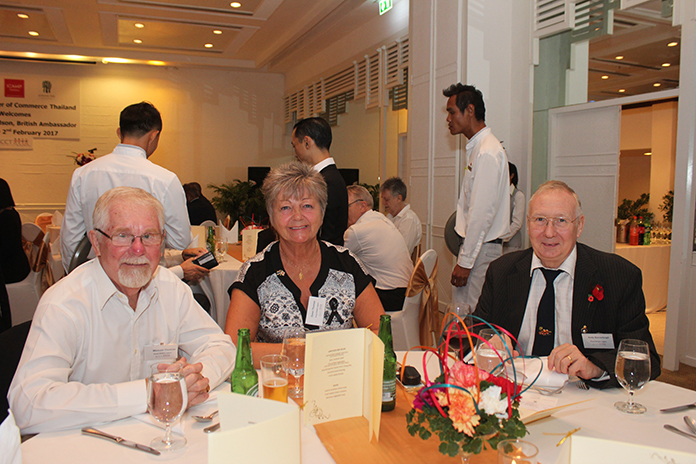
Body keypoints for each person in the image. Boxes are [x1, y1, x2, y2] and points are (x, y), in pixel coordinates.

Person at [9, 187, 236, 434]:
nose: (138, 249)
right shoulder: (65, 304)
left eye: (149, 236)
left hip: (159, 438)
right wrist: (150, 392)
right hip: (87, 446)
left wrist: (192, 382)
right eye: (123, 236)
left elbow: (221, 347)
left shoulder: (170, 289)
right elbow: (28, 403)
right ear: (96, 242)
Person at [474, 180, 661, 387]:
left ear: (579, 225)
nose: (549, 232)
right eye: (540, 220)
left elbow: (647, 359)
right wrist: (486, 346)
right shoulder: (502, 271)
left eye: (561, 220)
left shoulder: (619, 276)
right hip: (514, 391)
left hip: (585, 396)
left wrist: (595, 367)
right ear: (528, 224)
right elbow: (469, 336)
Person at [225, 162, 384, 366]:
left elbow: (380, 331)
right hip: (277, 386)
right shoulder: (255, 272)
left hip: (338, 382)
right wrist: (307, 352)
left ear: (322, 212)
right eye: (285, 207)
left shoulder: (346, 264)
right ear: (271, 217)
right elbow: (235, 347)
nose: (298, 216)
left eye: (307, 205)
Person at [60, 102, 208, 285]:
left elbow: (70, 239)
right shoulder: (164, 179)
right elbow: (180, 241)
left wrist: (77, 280)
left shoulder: (84, 174)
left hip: (98, 278)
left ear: (119, 132)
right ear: (154, 136)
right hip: (146, 280)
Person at [444, 83, 510, 312]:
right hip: (477, 247)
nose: (448, 119)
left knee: (469, 318)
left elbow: (481, 213)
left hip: (481, 249)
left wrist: (465, 261)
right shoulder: (479, 148)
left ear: (470, 110)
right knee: (463, 317)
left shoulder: (487, 152)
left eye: (452, 112)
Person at [344, 185, 413, 312]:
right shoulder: (382, 219)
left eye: (346, 206)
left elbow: (338, 261)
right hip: (408, 293)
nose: (343, 212)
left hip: (390, 295)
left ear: (362, 206)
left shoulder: (357, 230)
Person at [291, 117, 348, 246]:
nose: (295, 154)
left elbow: (325, 234)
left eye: (295, 146)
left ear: (307, 142)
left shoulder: (326, 182)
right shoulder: (330, 177)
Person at [380, 177, 422, 256]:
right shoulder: (389, 217)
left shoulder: (408, 219)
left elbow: (403, 251)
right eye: (383, 199)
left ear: (399, 198)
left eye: (387, 199)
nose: (383, 203)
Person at [0, 179, 30, 285]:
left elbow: (5, 249)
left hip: (12, 270)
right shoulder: (10, 214)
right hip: (15, 265)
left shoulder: (6, 218)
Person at [502, 162, 525, 253]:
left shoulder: (518, 195)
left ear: (512, 175)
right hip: (495, 245)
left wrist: (503, 237)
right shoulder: (498, 194)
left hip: (511, 245)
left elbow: (517, 223)